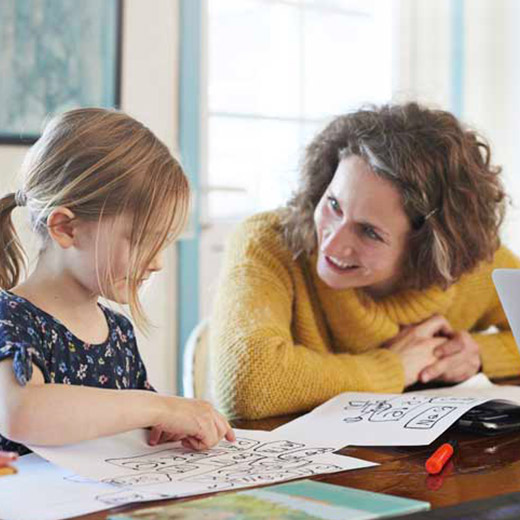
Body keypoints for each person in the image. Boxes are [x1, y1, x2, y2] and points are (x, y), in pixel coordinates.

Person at [210, 102, 520, 420]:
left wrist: (479, 354)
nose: (330, 242)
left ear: (427, 248)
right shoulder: (268, 241)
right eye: (333, 204)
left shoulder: (473, 263)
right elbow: (244, 385)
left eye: (369, 232)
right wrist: (393, 367)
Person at [0, 108, 235, 455]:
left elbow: (132, 425)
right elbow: (21, 413)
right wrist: (161, 408)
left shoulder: (119, 333)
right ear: (65, 228)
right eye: (142, 241)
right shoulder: (11, 318)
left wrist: (167, 425)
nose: (156, 263)